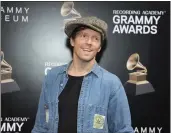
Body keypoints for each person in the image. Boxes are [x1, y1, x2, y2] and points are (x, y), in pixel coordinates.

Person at [32, 16, 134, 133]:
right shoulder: (52, 76)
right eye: (83, 36)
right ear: (72, 40)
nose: (89, 42)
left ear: (99, 47)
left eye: (95, 38)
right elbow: (40, 127)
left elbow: (123, 130)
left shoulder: (111, 83)